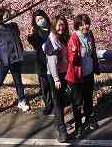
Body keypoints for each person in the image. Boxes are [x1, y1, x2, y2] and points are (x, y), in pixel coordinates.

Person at [0, 8, 31, 118]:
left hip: (15, 59)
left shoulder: (14, 26)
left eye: (8, 15)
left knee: (18, 82)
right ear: (0, 19)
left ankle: (21, 101)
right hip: (3, 61)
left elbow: (18, 36)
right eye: (5, 17)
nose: (8, 18)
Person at [66, 14, 100, 136]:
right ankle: (78, 125)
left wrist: (95, 66)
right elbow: (72, 60)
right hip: (77, 76)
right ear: (77, 26)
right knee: (77, 102)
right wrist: (74, 52)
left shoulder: (90, 35)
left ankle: (89, 119)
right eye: (82, 24)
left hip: (88, 73)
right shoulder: (74, 38)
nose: (85, 26)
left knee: (88, 98)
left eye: (87, 24)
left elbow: (93, 51)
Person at [44, 14, 72, 143]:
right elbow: (52, 61)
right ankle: (62, 130)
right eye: (59, 25)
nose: (61, 27)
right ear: (54, 26)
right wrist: (56, 79)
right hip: (55, 75)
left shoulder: (65, 37)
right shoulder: (52, 40)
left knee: (67, 97)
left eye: (63, 24)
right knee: (57, 102)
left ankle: (60, 122)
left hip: (65, 72)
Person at [27, 9, 54, 115]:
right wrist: (30, 36)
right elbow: (33, 42)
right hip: (41, 61)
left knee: (54, 83)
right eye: (37, 20)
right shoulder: (36, 32)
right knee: (44, 84)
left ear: (45, 17)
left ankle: (57, 102)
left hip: (54, 60)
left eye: (41, 18)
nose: (40, 21)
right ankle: (48, 104)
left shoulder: (53, 28)